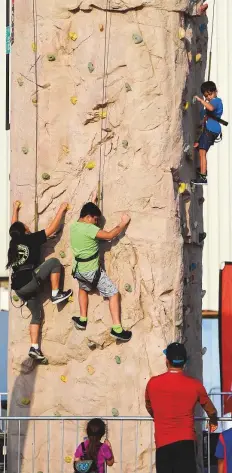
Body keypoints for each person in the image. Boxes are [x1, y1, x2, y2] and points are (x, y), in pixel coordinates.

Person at [7, 200, 73, 362]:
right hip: (29, 280)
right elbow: (52, 229)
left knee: (37, 315)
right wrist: (61, 209)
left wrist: (15, 208)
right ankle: (56, 293)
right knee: (54, 262)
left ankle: (34, 347)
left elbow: (14, 226)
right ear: (25, 230)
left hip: (19, 289)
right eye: (26, 226)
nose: (28, 226)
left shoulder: (13, 243)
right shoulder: (31, 238)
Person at [145, 342, 218, 473]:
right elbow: (210, 409)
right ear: (185, 362)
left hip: (163, 444)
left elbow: (149, 407)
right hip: (186, 443)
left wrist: (160, 417)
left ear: (166, 361)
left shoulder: (153, 383)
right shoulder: (195, 385)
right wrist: (213, 421)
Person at [70, 193, 132, 342]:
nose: (96, 223)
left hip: (78, 270)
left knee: (83, 289)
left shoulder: (74, 226)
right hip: (92, 271)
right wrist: (123, 223)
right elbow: (110, 235)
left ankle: (82, 319)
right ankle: (117, 329)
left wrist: (92, 202)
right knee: (113, 294)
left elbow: (87, 216)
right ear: (88, 217)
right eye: (95, 219)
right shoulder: (89, 229)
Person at [191, 81, 223, 185]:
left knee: (202, 152)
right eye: (206, 95)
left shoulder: (216, 101)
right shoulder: (210, 103)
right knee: (198, 147)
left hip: (211, 130)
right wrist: (205, 107)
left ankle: (203, 177)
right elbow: (202, 115)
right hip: (210, 130)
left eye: (210, 94)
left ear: (216, 92)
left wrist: (201, 100)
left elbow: (211, 108)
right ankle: (202, 170)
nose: (209, 97)